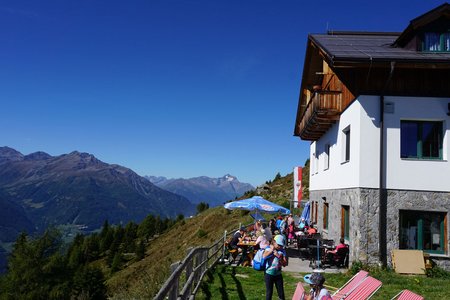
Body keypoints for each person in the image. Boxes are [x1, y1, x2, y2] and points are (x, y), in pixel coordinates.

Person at [263, 234, 288, 300]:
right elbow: (264, 256)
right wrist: (271, 250)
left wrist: (279, 256)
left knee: (281, 293)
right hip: (269, 274)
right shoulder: (268, 248)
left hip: (278, 274)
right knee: (269, 292)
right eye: (278, 245)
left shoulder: (282, 251)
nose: (280, 247)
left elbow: (285, 264)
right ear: (274, 242)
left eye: (281, 245)